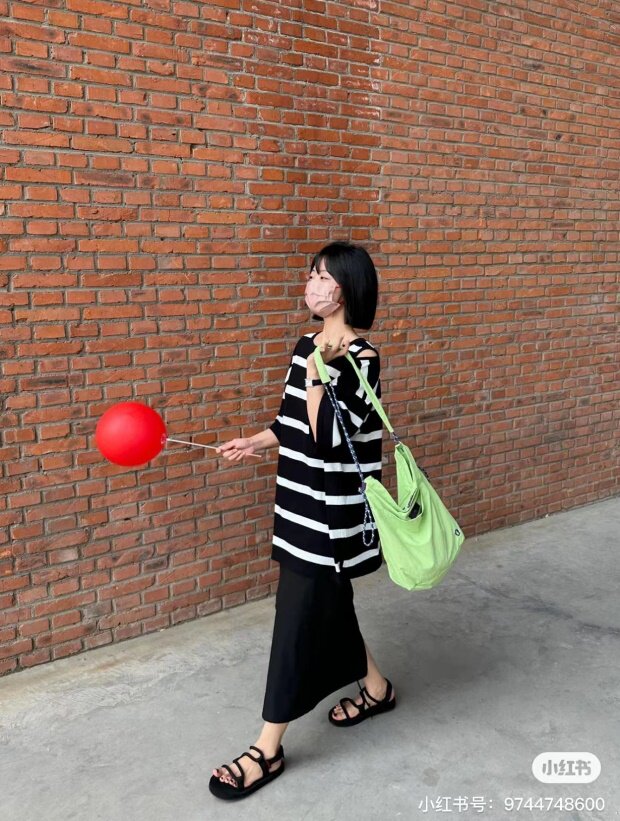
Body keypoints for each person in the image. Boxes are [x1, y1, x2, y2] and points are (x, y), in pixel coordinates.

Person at [209, 241, 396, 801]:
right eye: (311, 274)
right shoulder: (305, 344)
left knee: (295, 620)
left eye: (322, 277)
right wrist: (255, 441)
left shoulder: (363, 359)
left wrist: (323, 370)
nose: (312, 284)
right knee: (329, 606)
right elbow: (291, 422)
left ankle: (266, 748)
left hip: (332, 516)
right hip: (296, 505)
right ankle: (378, 689)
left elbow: (327, 436)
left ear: (347, 288)